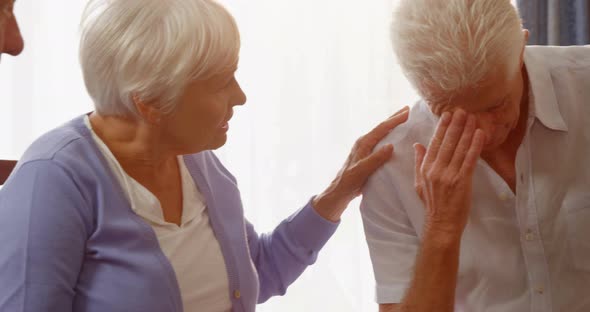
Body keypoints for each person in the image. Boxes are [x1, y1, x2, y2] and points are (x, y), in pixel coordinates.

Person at [0, 0, 409, 311]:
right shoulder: (52, 180)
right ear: (150, 103)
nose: (240, 96)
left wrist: (339, 192)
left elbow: (258, 270)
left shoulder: (194, 160)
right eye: (220, 83)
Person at [361, 0, 590, 311]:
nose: (483, 134)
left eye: (495, 106)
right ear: (420, 88)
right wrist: (441, 230)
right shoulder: (391, 169)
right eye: (451, 114)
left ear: (521, 48)